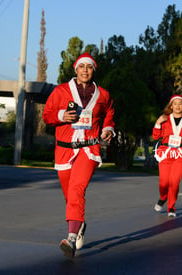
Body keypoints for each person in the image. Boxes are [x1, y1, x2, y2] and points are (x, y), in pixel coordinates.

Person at [42, 52, 115, 258]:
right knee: (70, 196)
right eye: (81, 66)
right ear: (75, 69)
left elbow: (109, 113)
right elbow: (47, 115)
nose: (85, 70)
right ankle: (79, 222)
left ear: (93, 70)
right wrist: (61, 115)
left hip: (89, 149)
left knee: (76, 188)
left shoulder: (103, 95)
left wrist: (108, 129)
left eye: (89, 67)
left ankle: (71, 237)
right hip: (65, 149)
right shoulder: (61, 90)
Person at [152, 95, 182, 218]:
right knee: (163, 183)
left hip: (181, 154)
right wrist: (158, 123)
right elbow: (156, 136)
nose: (177, 106)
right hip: (166, 153)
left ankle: (171, 207)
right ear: (171, 106)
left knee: (174, 181)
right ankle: (163, 197)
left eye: (180, 104)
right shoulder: (165, 119)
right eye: (175, 104)